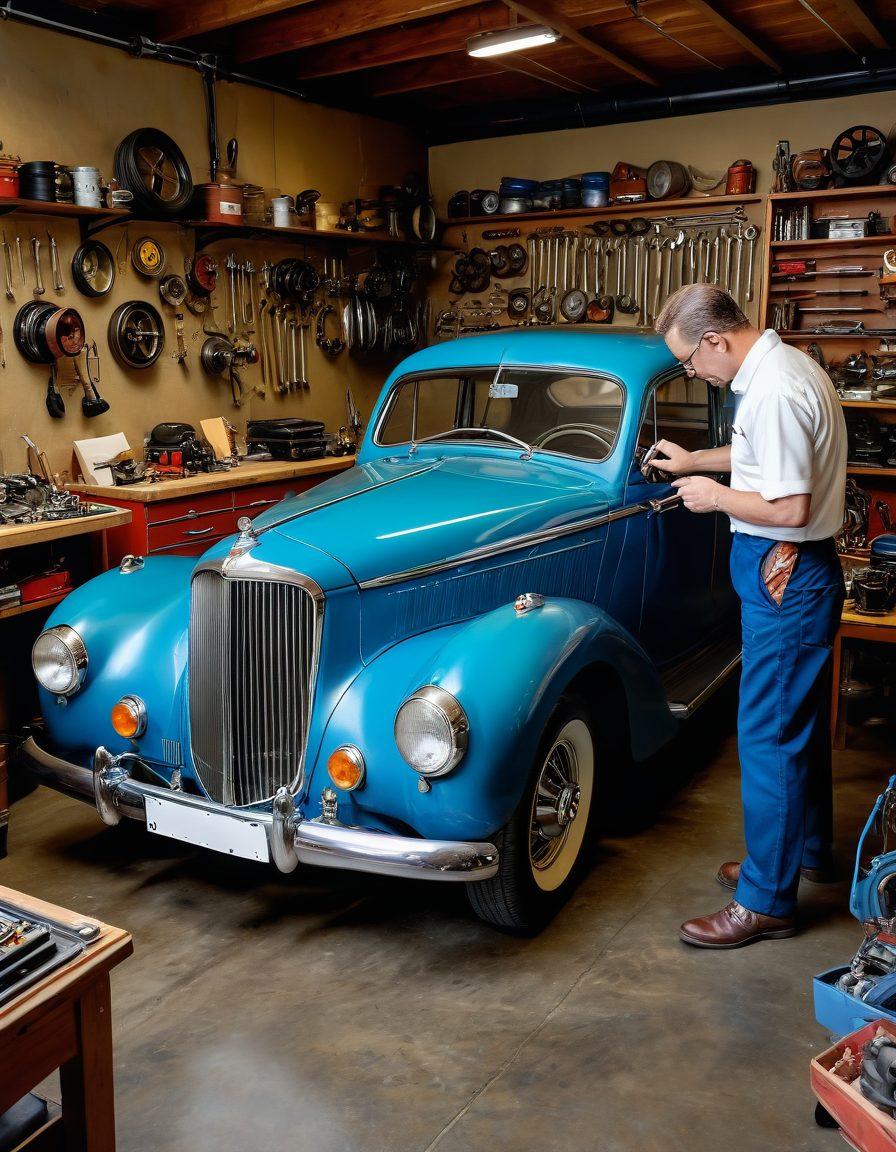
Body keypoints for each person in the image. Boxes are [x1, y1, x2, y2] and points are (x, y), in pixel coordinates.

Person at [652, 284, 847, 949]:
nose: (691, 373)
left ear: (714, 340)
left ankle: (767, 900)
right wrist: (696, 460)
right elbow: (763, 459)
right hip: (789, 575)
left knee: (768, 735)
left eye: (687, 362)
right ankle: (803, 852)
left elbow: (789, 508)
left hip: (786, 573)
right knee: (797, 725)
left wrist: (710, 497)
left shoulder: (773, 391)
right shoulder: (782, 371)